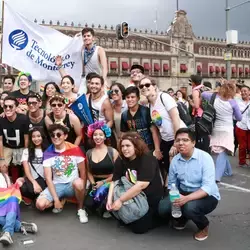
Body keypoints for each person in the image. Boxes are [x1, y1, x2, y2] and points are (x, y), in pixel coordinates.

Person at [158, 128, 220, 241]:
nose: (181, 143)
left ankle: (203, 225)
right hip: (183, 193)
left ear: (193, 143)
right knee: (163, 207)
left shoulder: (205, 158)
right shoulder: (175, 161)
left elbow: (207, 188)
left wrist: (186, 199)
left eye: (185, 140)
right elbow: (172, 184)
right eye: (178, 140)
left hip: (206, 196)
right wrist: (175, 196)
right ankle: (183, 217)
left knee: (190, 207)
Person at [106, 132, 163, 234]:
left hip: (149, 198)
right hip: (132, 195)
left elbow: (141, 185)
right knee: (125, 217)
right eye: (122, 146)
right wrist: (109, 200)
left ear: (136, 146)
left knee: (138, 228)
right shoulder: (121, 159)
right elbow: (114, 181)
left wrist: (120, 201)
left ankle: (163, 218)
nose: (124, 149)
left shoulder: (147, 158)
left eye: (128, 145)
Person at [36, 124, 88, 223]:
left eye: (59, 134)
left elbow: (83, 172)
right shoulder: (48, 153)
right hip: (57, 185)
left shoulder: (74, 149)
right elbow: (48, 178)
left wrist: (83, 190)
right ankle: (61, 200)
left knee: (79, 183)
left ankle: (81, 208)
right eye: (53, 135)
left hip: (72, 184)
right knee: (40, 205)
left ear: (65, 136)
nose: (55, 137)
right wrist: (55, 200)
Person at [139, 77, 184, 178]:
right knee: (168, 168)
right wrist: (157, 149)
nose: (144, 88)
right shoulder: (150, 105)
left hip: (179, 137)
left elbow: (175, 119)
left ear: (154, 86)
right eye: (141, 86)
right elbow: (155, 129)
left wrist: (176, 142)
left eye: (147, 85)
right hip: (166, 139)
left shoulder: (164, 97)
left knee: (178, 169)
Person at [202, 82, 242, 182]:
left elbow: (202, 94)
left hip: (215, 128)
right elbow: (239, 118)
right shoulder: (233, 102)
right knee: (223, 151)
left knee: (220, 150)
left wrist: (216, 90)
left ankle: (228, 171)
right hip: (227, 129)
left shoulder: (214, 96)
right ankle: (217, 176)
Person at [85, 121, 119, 217]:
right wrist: (93, 184)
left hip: (110, 181)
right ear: (92, 136)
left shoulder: (113, 152)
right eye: (95, 134)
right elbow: (88, 171)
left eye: (100, 134)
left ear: (105, 136)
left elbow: (117, 173)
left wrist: (103, 182)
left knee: (101, 203)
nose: (98, 137)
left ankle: (107, 206)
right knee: (88, 205)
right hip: (95, 182)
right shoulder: (89, 153)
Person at [120, 86, 162, 160]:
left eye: (132, 97)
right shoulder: (124, 115)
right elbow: (124, 134)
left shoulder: (146, 111)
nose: (130, 99)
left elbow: (154, 131)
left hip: (148, 147)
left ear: (138, 98)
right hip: (133, 149)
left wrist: (157, 149)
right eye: (128, 97)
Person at [0, 172, 38, 246]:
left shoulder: (4, 176)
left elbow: (10, 189)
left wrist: (19, 182)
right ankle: (19, 227)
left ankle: (7, 232)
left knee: (13, 198)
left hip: (5, 202)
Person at [0, 96, 29, 182]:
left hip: (21, 147)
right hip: (7, 146)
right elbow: (0, 140)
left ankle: (23, 183)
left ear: (16, 107)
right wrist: (1, 159)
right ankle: (8, 184)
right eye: (5, 106)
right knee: (2, 165)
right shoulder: (1, 119)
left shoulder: (23, 119)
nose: (8, 109)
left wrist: (25, 153)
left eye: (11, 106)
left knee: (26, 165)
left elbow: (26, 139)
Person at [16, 127, 48, 201]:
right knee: (19, 183)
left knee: (42, 204)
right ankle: (31, 197)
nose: (36, 139)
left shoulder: (48, 151)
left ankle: (37, 198)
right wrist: (34, 183)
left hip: (45, 181)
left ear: (42, 136)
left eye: (38, 136)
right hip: (32, 180)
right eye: (33, 136)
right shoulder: (26, 151)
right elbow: (26, 170)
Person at [189, 74, 210, 153]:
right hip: (207, 114)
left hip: (199, 116)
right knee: (205, 136)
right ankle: (206, 152)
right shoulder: (204, 88)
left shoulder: (195, 91)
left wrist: (191, 102)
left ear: (193, 82)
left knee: (200, 137)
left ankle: (201, 152)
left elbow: (197, 106)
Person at [235, 85, 250, 167]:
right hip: (240, 126)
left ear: (249, 92)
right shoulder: (237, 101)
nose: (243, 92)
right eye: (242, 91)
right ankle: (242, 162)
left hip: (249, 126)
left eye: (245, 91)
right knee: (242, 146)